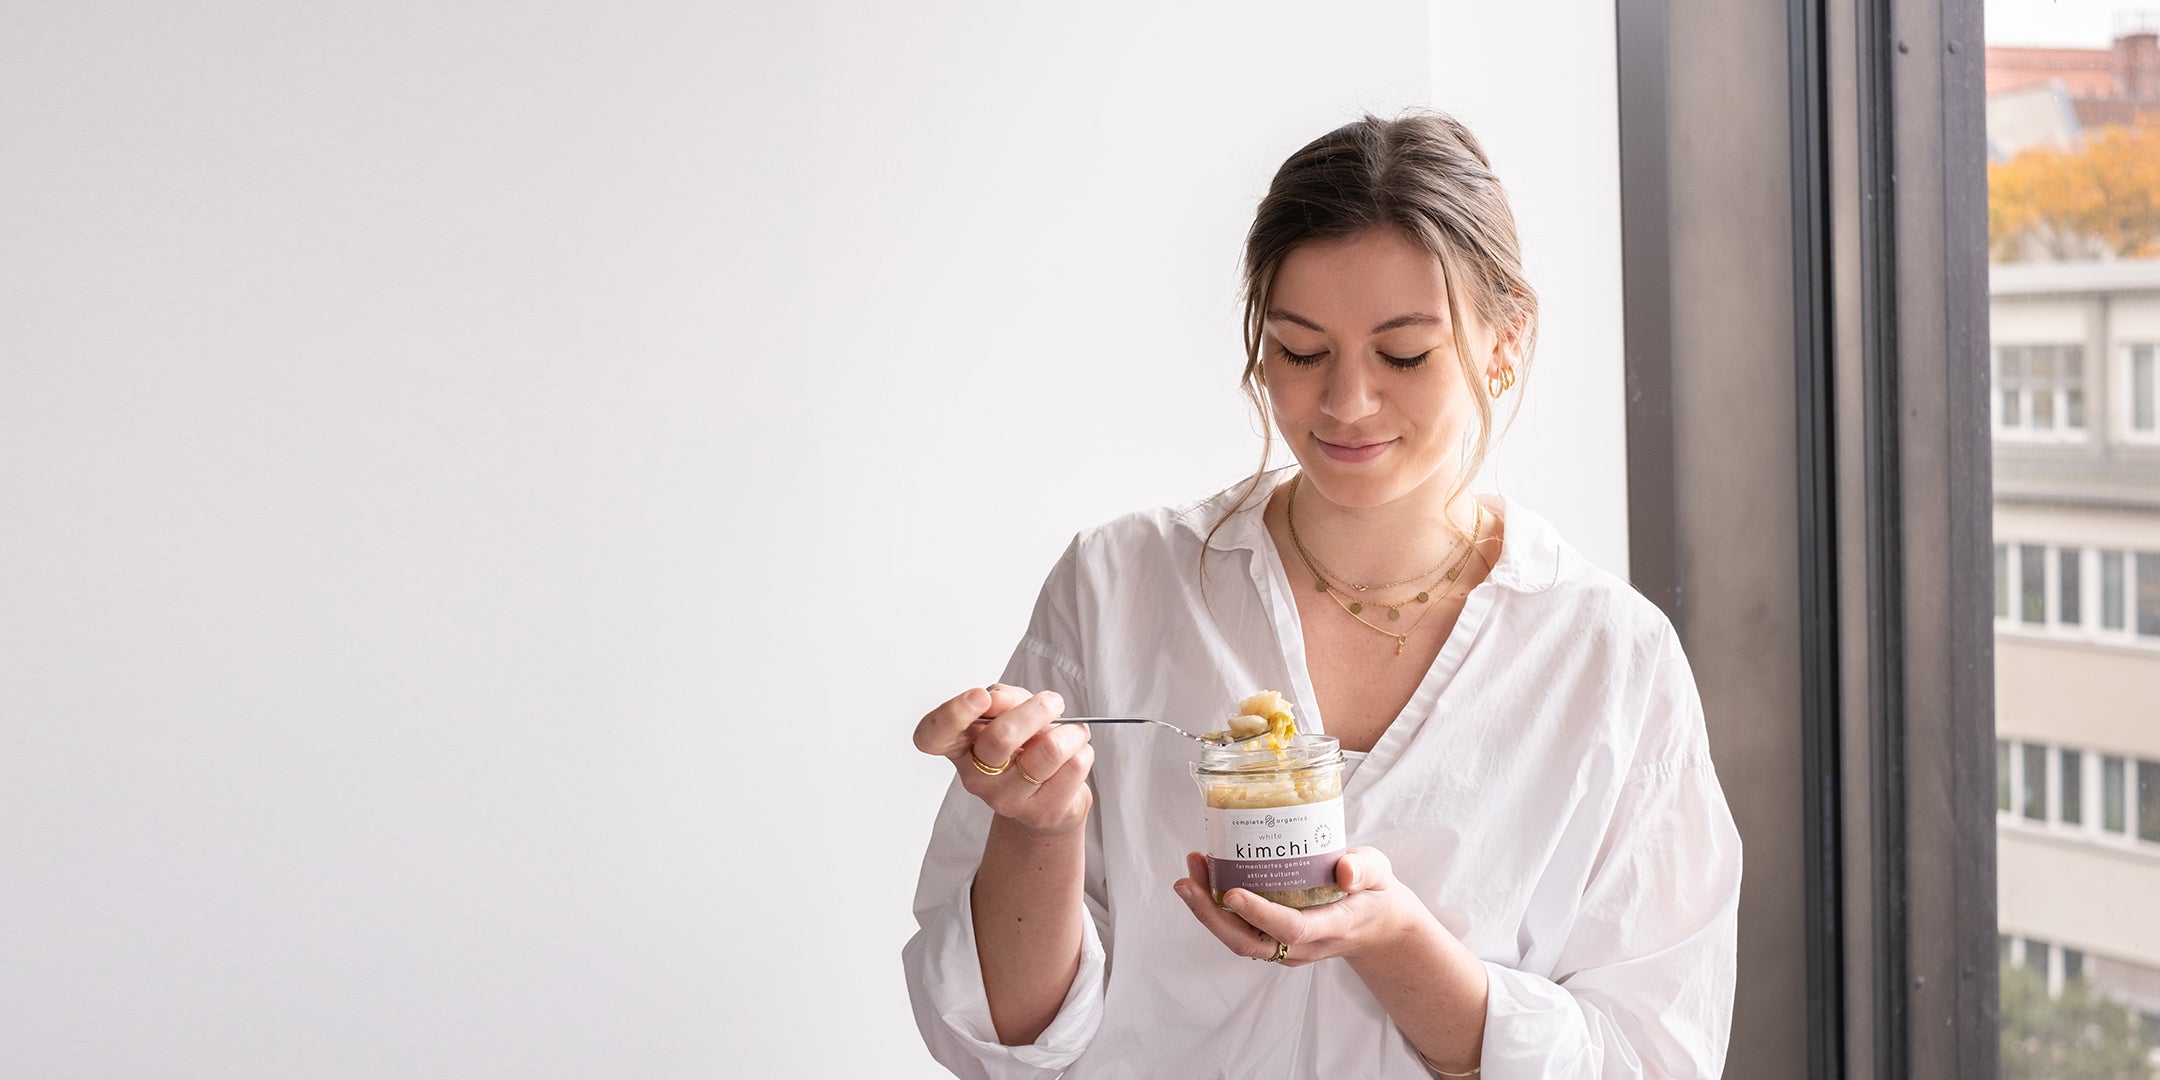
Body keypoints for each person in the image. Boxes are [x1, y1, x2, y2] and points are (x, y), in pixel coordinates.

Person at [903, 111, 1741, 1079]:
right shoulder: (1119, 587)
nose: (1346, 403)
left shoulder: (1607, 659)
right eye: (1303, 351)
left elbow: (1651, 1056)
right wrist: (1036, 827)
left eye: (1404, 354)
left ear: (1505, 339)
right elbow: (997, 1041)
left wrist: (1396, 945)